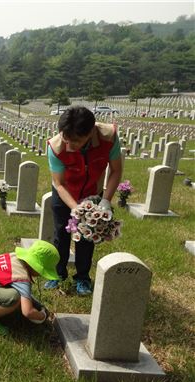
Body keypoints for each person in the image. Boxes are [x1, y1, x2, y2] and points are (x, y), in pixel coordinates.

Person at [45, 106, 123, 295]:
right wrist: (77, 209)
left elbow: (116, 170)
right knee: (61, 234)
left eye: (76, 141)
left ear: (90, 132)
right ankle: (57, 275)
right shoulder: (55, 147)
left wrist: (105, 200)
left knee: (87, 237)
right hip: (65, 194)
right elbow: (59, 183)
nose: (69, 145)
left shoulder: (108, 137)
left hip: (92, 193)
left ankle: (82, 278)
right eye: (66, 137)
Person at [0, 240, 60, 336]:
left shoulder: (15, 258)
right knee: (14, 297)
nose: (41, 275)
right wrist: (42, 316)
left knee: (16, 294)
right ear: (36, 267)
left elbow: (25, 295)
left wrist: (37, 304)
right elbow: (28, 312)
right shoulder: (21, 277)